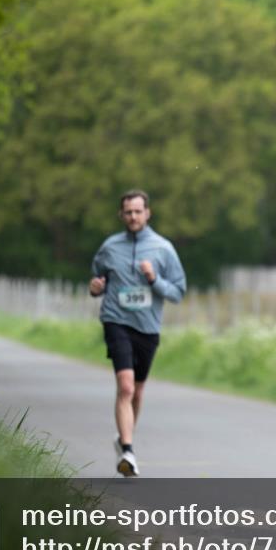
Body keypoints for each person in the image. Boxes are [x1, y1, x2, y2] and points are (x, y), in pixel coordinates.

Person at [89, 189, 186, 477]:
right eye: (128, 212)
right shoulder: (109, 247)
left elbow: (178, 292)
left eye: (138, 211)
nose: (133, 216)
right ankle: (129, 451)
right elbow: (98, 280)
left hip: (148, 327)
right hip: (115, 321)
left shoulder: (163, 248)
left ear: (148, 213)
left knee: (138, 391)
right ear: (121, 215)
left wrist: (154, 279)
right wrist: (96, 288)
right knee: (126, 386)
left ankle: (123, 439)